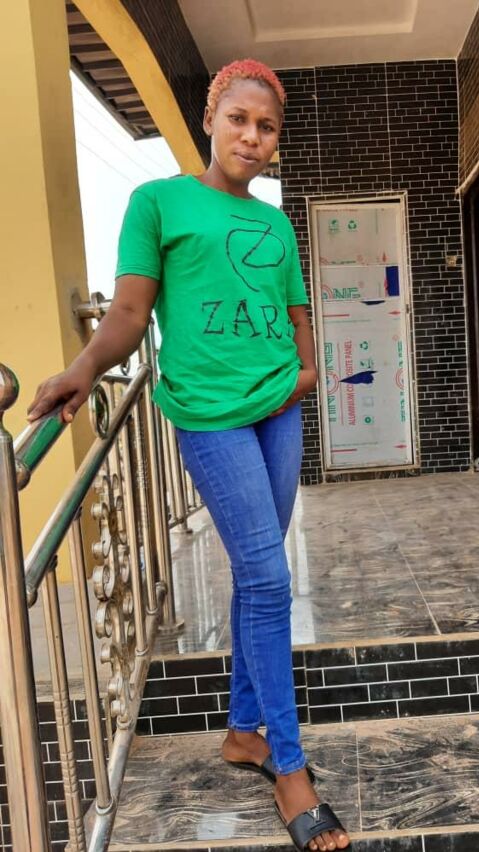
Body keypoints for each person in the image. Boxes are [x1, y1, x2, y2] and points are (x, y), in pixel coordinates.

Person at [27, 59, 351, 852]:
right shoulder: (158, 203)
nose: (253, 136)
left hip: (280, 409)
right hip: (209, 416)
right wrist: (84, 370)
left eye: (267, 127)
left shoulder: (275, 223)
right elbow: (129, 313)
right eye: (239, 119)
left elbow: (295, 310)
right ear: (210, 119)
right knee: (269, 578)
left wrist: (308, 371)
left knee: (257, 572)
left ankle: (243, 731)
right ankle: (289, 767)